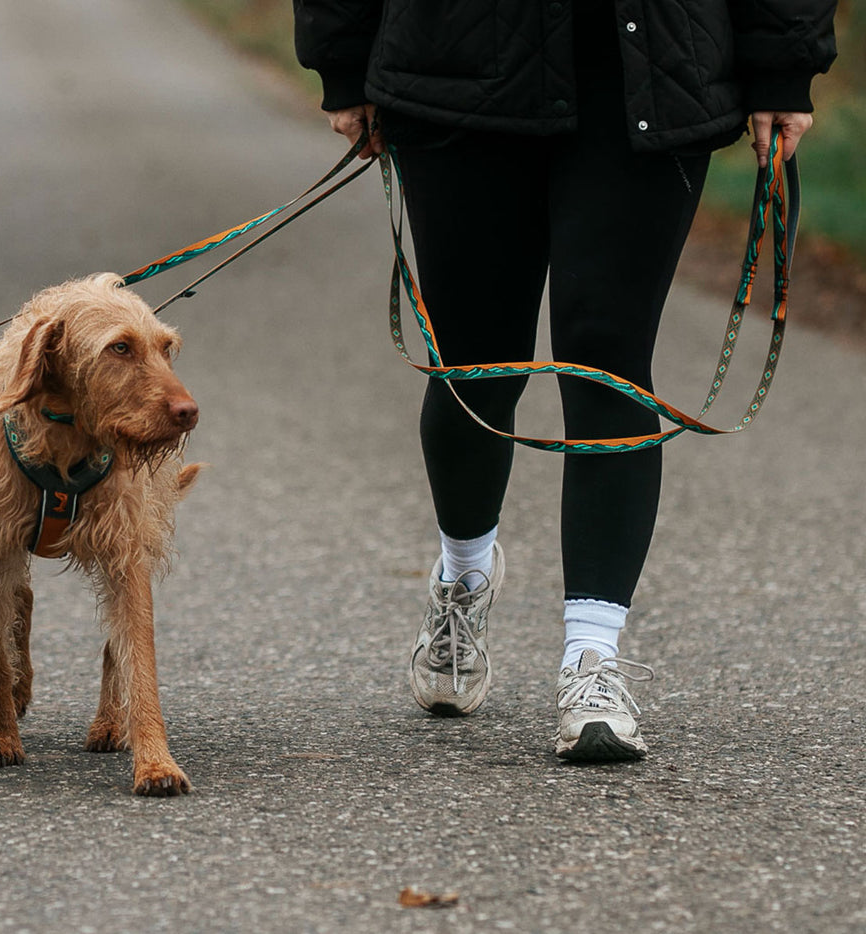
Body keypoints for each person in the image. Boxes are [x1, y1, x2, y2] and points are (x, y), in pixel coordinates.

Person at [294, 0, 837, 760]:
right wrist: (343, 55)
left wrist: (783, 61)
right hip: (455, 67)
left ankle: (593, 658)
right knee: (475, 362)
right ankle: (464, 574)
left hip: (651, 73)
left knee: (609, 361)